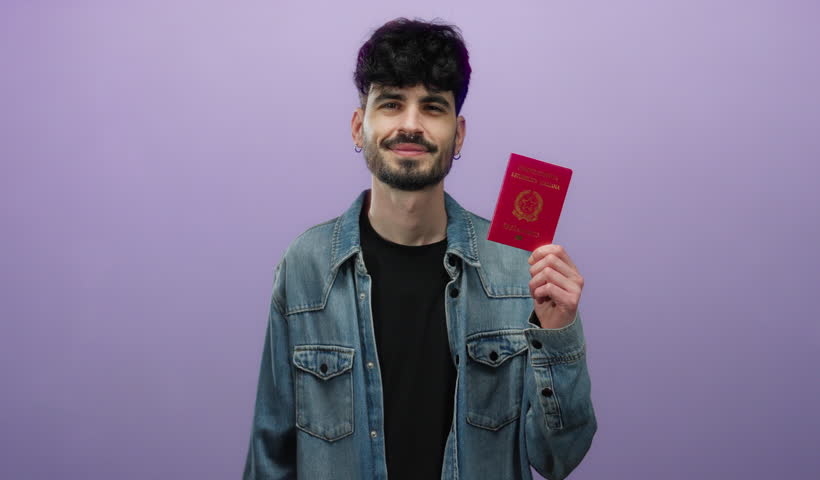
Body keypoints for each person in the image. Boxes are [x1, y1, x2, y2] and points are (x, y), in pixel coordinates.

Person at [243, 17, 596, 480]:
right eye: (390, 103)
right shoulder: (305, 267)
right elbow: (270, 458)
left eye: (432, 107)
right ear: (358, 126)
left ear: (459, 133)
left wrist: (559, 335)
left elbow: (557, 458)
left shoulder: (517, 270)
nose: (410, 125)